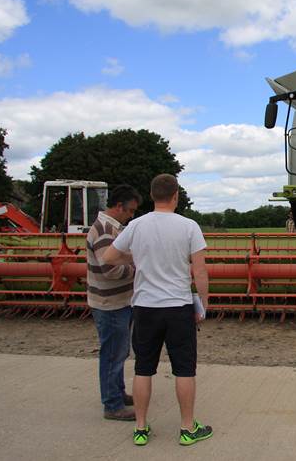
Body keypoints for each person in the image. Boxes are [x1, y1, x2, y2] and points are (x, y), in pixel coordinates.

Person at [104, 174, 212, 447]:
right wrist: (204, 304)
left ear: (152, 196)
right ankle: (187, 428)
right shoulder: (189, 226)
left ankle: (140, 427)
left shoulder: (137, 225)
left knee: (143, 368)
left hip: (145, 307)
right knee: (185, 369)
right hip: (178, 306)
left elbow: (109, 257)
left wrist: (137, 257)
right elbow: (199, 271)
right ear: (175, 195)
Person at [87, 184, 141, 421]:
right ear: (119, 206)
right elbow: (109, 269)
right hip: (109, 303)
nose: (131, 215)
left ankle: (117, 393)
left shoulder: (111, 227)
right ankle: (112, 404)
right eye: (129, 211)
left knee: (119, 351)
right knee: (112, 353)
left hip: (117, 301)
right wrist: (137, 269)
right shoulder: (104, 230)